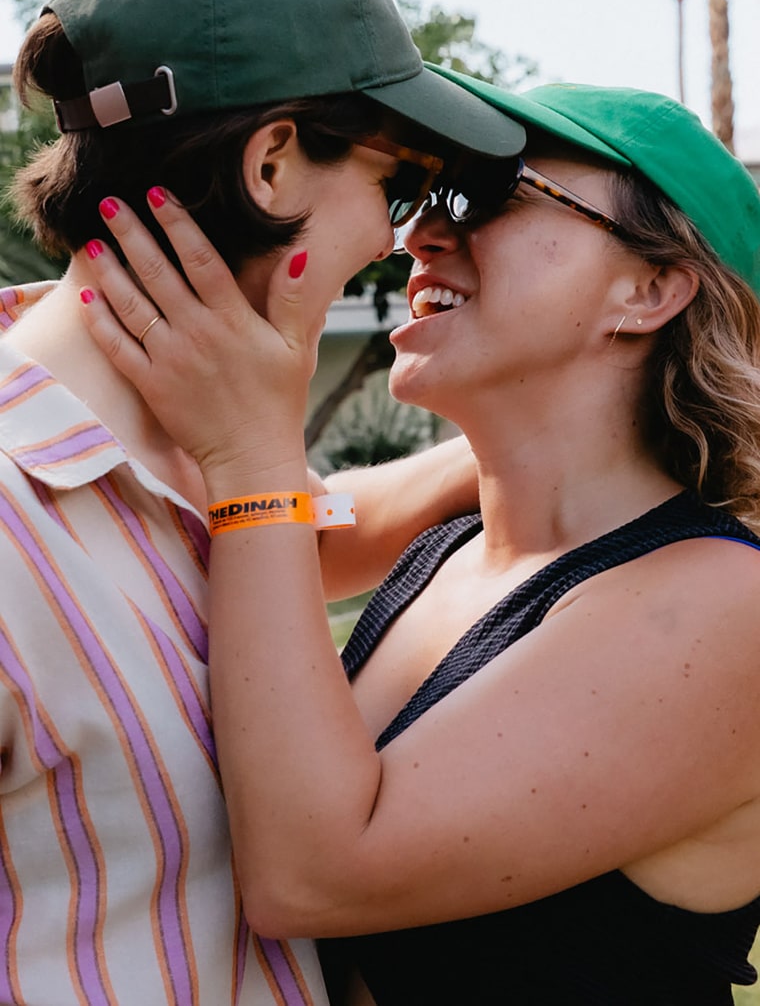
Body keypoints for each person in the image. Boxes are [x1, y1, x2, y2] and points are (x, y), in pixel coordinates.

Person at [80, 74, 760, 1006]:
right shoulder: (471, 527)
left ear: (649, 290)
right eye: (424, 195)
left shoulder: (723, 611)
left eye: (488, 196)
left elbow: (312, 875)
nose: (416, 235)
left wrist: (252, 447)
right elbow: (263, 539)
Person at [0, 0, 528, 1004]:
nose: (400, 236)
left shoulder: (210, 451)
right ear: (276, 165)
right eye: (395, 182)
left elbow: (334, 520)